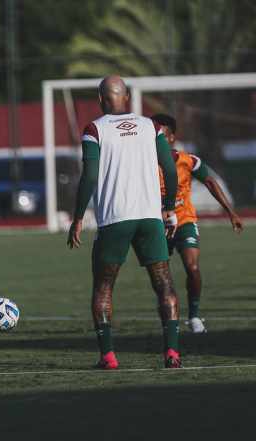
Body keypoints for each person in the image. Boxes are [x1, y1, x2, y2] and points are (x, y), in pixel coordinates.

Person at [67, 75, 182, 369]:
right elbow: (169, 168)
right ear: (127, 96)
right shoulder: (150, 126)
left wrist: (78, 218)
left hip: (115, 220)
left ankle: (108, 356)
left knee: (104, 287)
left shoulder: (94, 129)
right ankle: (172, 352)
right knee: (164, 283)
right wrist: (168, 207)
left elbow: (90, 176)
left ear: (100, 100)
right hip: (150, 218)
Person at [151, 113, 243, 333]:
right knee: (161, 277)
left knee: (192, 268)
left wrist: (231, 212)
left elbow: (210, 181)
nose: (158, 142)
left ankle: (194, 317)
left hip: (184, 221)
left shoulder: (188, 161)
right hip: (157, 225)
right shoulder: (144, 164)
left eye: (162, 137)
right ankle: (168, 317)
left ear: (172, 138)